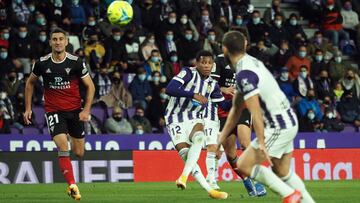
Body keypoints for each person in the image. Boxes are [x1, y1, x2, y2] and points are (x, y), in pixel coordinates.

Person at [218, 31, 315, 203]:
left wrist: (261, 141)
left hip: (278, 125)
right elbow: (236, 109)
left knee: (244, 165)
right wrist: (219, 140)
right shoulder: (249, 64)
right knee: (283, 171)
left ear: (224, 49)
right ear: (245, 45)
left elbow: (255, 110)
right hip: (289, 120)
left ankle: (289, 195)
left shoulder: (244, 73)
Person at [23, 27, 95, 201]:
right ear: (50, 42)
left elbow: (90, 86)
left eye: (61, 39)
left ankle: (69, 134)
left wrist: (86, 110)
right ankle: (72, 185)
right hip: (54, 111)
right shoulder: (42, 63)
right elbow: (30, 83)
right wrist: (28, 108)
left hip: (75, 111)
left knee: (79, 153)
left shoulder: (76, 62)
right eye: (54, 39)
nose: (58, 42)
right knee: (63, 147)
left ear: (66, 42)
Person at [165, 50, 228, 199]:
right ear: (197, 63)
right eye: (203, 62)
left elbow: (223, 106)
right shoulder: (188, 73)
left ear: (213, 65)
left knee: (199, 137)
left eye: (209, 63)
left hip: (194, 116)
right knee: (187, 155)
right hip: (175, 117)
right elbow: (170, 89)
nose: (206, 66)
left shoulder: (212, 84)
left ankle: (183, 177)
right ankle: (210, 190)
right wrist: (193, 94)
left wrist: (241, 102)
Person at [210, 54, 267, 196]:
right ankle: (246, 180)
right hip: (223, 110)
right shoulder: (220, 61)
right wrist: (223, 89)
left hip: (243, 106)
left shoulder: (249, 61)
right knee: (230, 154)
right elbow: (209, 83)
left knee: (245, 143)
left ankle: (258, 182)